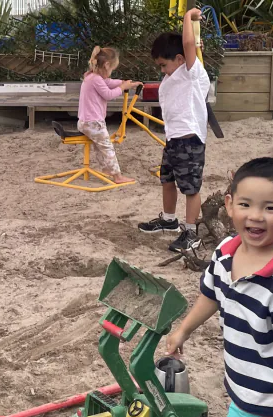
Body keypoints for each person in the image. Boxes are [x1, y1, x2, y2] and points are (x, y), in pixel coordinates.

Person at [166, 157, 273, 417]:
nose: (255, 216)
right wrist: (183, 330)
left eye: (270, 208)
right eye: (245, 204)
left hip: (269, 399)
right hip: (246, 385)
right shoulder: (227, 250)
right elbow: (211, 295)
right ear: (229, 205)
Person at [138, 8, 210, 252]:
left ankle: (191, 233)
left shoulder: (191, 72)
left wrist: (187, 17)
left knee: (190, 188)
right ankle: (169, 220)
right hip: (173, 140)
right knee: (167, 180)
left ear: (180, 59)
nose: (161, 70)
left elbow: (188, 42)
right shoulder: (172, 77)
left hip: (189, 141)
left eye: (163, 64)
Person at [77, 46, 141, 184]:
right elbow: (108, 94)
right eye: (112, 69)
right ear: (106, 65)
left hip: (85, 121)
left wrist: (125, 83)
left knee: (101, 146)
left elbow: (109, 82)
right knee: (107, 146)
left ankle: (107, 170)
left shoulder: (91, 76)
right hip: (93, 122)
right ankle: (117, 176)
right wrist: (122, 88)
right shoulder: (96, 79)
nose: (111, 72)